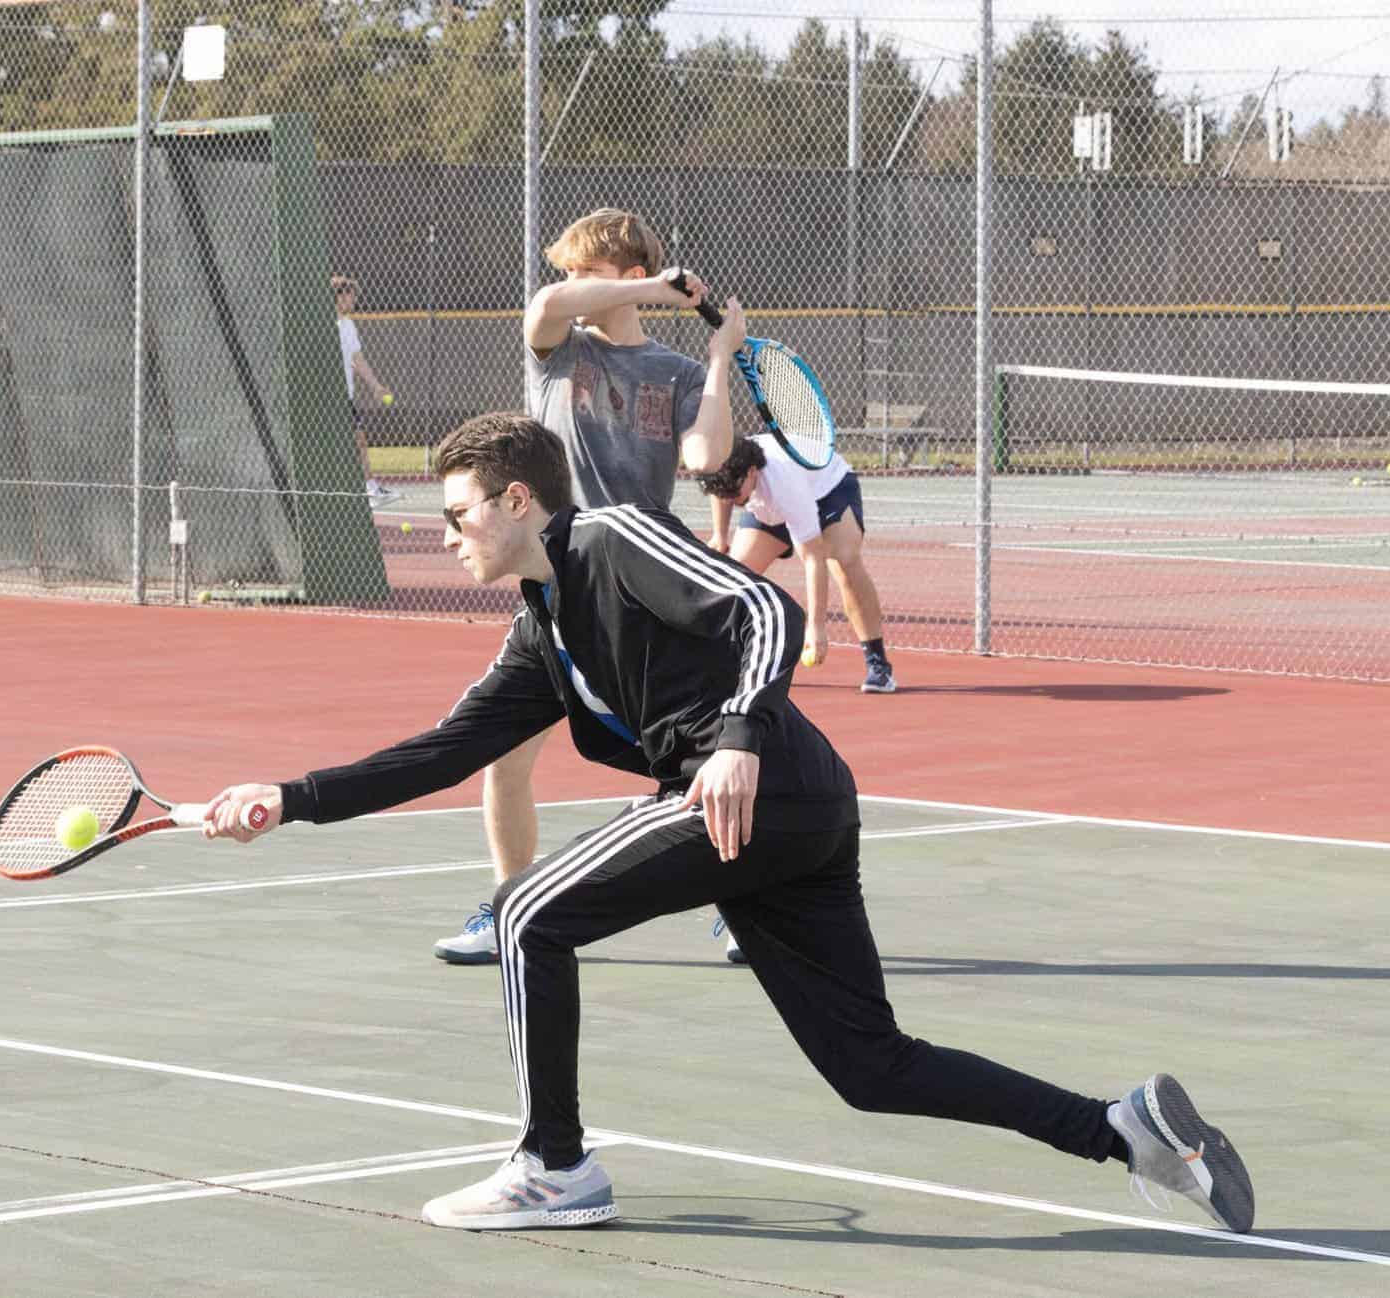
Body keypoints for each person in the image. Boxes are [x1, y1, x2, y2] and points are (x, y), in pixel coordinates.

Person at [199, 413, 1256, 1236]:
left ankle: (552, 1165)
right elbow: (437, 752)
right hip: (776, 816)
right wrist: (286, 798)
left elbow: (766, 611)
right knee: (870, 1066)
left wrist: (741, 735)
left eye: (458, 511)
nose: (447, 531)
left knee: (525, 914)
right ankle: (1118, 1128)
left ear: (518, 499)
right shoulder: (541, 633)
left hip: (762, 788)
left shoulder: (608, 540)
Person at [433, 207, 746, 966]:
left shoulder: (671, 376)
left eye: (586, 271)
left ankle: (746, 905)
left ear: (629, 277)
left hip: (642, 592)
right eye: (567, 269)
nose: (568, 283)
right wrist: (674, 290)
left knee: (701, 765)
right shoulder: (558, 353)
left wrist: (717, 359)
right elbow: (544, 307)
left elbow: (706, 455)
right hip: (557, 590)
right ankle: (515, 911)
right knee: (504, 756)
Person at [698, 435, 897, 695]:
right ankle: (727, 660)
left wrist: (816, 627)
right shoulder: (725, 466)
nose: (731, 499)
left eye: (735, 493)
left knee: (843, 560)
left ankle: (878, 663)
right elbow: (722, 491)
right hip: (769, 505)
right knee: (733, 578)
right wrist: (720, 535)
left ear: (752, 472)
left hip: (828, 492)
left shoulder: (783, 483)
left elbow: (812, 558)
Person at [333, 275, 399, 507]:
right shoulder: (329, 324)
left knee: (358, 440)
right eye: (351, 294)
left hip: (345, 395)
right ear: (340, 296)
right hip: (330, 396)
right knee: (352, 442)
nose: (354, 299)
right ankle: (367, 489)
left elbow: (356, 358)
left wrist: (375, 386)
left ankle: (369, 489)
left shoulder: (348, 324)